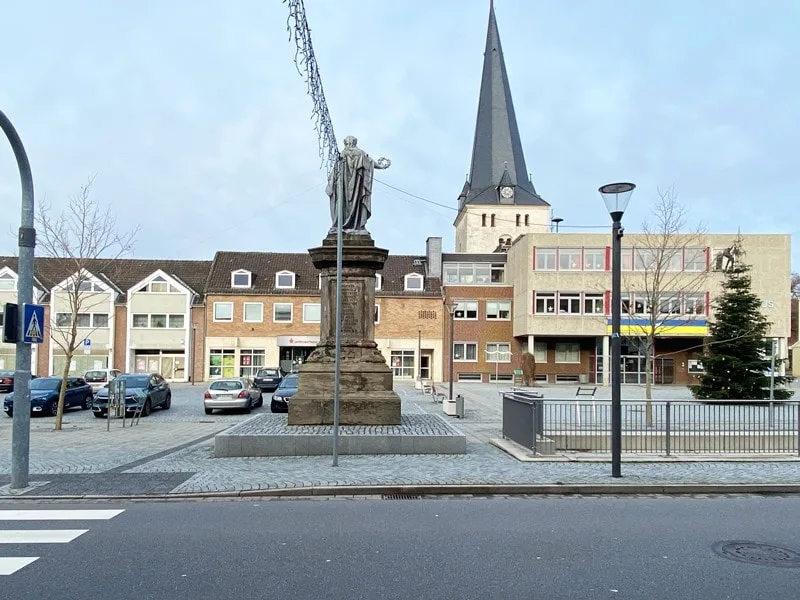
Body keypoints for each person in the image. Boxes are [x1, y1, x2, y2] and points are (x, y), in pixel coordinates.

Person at [326, 136, 391, 233]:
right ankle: (356, 225)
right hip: (356, 190)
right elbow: (370, 162)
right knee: (352, 203)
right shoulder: (360, 154)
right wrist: (381, 166)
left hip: (346, 189)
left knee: (341, 204)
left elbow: (334, 174)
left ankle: (345, 225)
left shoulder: (343, 155)